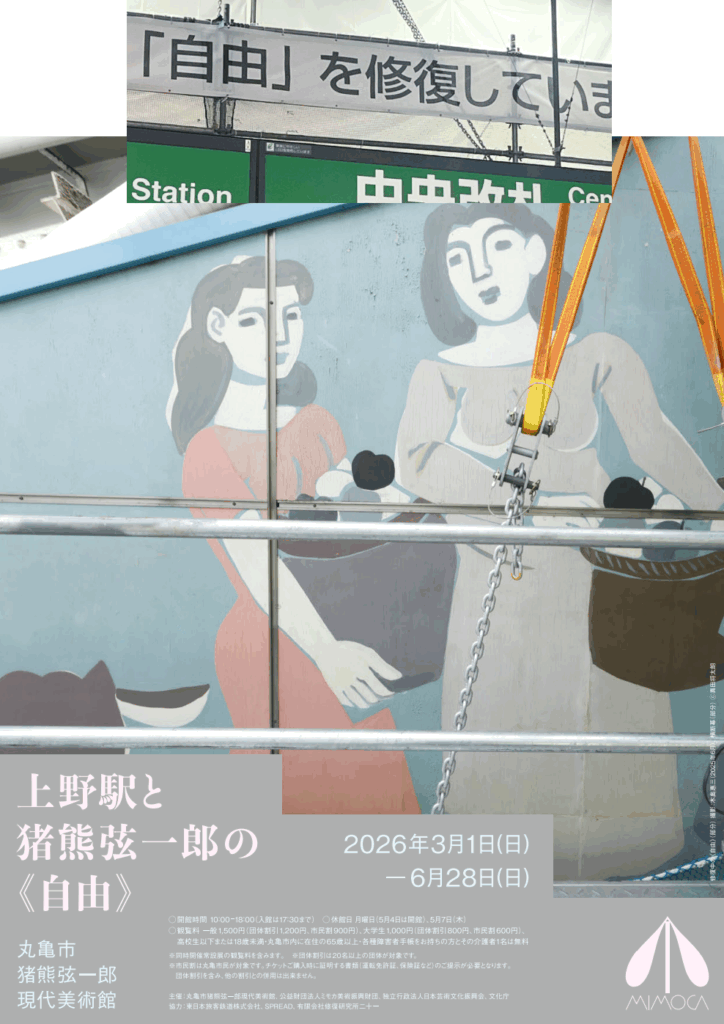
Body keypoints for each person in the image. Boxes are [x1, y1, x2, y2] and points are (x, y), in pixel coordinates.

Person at [395, 205, 724, 879]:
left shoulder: (598, 352)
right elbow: (416, 458)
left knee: (612, 721)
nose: (478, 269)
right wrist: (527, 505)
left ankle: (628, 861)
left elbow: (654, 440)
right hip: (501, 580)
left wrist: (716, 511)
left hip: (597, 576)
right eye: (458, 257)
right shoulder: (440, 371)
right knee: (501, 733)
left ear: (537, 254)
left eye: (497, 245)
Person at [167, 255, 420, 814]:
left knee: (368, 790)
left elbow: (348, 527)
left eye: (291, 316)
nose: (280, 335)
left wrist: (389, 500)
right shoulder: (208, 451)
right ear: (218, 327)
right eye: (255, 319)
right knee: (307, 797)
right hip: (274, 640)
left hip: (347, 626)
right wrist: (327, 651)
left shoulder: (317, 422)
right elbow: (257, 561)